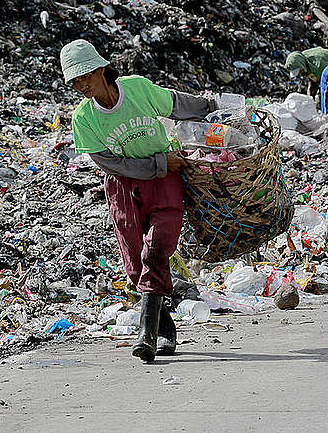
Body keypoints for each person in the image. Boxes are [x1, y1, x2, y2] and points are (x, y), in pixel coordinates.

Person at [61, 39, 215, 363]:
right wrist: (160, 162)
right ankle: (166, 331)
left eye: (84, 76)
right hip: (125, 187)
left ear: (101, 69)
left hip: (164, 182)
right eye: (74, 81)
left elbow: (174, 104)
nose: (80, 85)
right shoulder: (83, 119)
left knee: (157, 249)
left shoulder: (137, 89)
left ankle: (145, 334)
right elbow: (112, 164)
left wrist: (212, 108)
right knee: (134, 265)